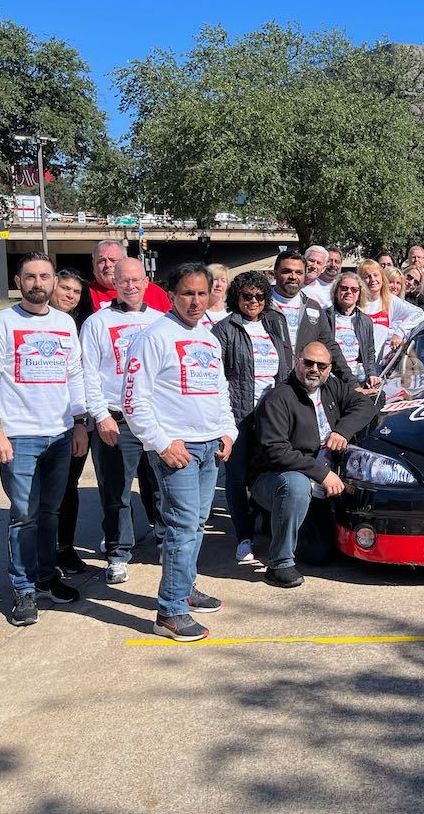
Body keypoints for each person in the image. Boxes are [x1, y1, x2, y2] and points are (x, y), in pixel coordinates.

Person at [123, 262, 236, 642]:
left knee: (196, 524)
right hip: (178, 450)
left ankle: (184, 588)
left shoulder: (208, 337)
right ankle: (170, 612)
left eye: (202, 293)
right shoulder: (154, 336)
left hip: (209, 446)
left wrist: (227, 431)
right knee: (182, 528)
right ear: (171, 295)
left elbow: (219, 391)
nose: (196, 301)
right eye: (188, 293)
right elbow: (134, 400)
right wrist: (161, 442)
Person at [0, 252, 88, 626]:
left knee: (50, 512)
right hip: (18, 436)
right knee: (24, 516)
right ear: (18, 281)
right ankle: (23, 589)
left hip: (60, 434)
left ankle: (46, 576)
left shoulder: (65, 323)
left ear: (53, 281)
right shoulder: (0, 323)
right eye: (30, 277)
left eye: (44, 276)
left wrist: (79, 423)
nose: (38, 283)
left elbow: (74, 375)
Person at [252, 341, 377, 587]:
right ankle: (279, 564)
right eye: (308, 363)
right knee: (296, 485)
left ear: (329, 368)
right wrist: (323, 474)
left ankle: (284, 523)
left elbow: (365, 405)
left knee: (318, 554)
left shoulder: (331, 386)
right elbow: (276, 452)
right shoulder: (278, 398)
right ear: (297, 362)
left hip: (320, 478)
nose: (314, 369)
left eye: (321, 365)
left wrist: (342, 431)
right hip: (278, 477)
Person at [80, 257, 166, 585]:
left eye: (136, 280)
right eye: (123, 280)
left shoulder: (160, 321)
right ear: (114, 283)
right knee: (116, 492)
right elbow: (88, 374)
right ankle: (118, 552)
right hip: (116, 421)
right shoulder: (97, 323)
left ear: (146, 282)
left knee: (161, 488)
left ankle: (164, 541)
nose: (130, 286)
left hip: (155, 420)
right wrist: (101, 415)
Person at [211, 270, 287, 565]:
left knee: (269, 470)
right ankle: (243, 535)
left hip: (271, 416)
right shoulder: (224, 329)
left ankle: (266, 525)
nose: (254, 301)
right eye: (247, 296)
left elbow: (284, 370)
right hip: (238, 416)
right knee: (237, 478)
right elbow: (216, 378)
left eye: (259, 296)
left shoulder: (274, 324)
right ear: (236, 297)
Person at [49, 267, 90, 575]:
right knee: (44, 492)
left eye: (76, 291)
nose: (70, 295)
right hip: (41, 420)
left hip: (75, 419)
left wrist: (82, 420)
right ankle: (42, 552)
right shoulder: (37, 322)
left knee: (68, 486)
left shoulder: (82, 325)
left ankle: (65, 547)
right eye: (65, 288)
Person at [267, 250, 353, 381]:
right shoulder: (261, 305)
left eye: (299, 272)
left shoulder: (313, 307)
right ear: (275, 273)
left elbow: (330, 346)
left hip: (302, 383)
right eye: (287, 271)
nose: (293, 276)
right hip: (269, 384)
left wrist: (351, 382)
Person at [77, 238, 171, 323]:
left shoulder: (155, 293)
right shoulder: (83, 294)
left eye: (113, 260)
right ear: (94, 265)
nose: (108, 265)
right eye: (102, 261)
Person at [358, 259, 424, 361]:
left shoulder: (390, 300)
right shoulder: (355, 301)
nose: (373, 279)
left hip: (379, 366)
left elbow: (419, 313)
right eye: (367, 276)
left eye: (376, 275)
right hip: (357, 364)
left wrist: (399, 332)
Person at [327, 271, 384, 390]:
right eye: (344, 288)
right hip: (332, 380)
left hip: (359, 379)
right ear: (336, 291)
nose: (349, 292)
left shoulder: (365, 321)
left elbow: (369, 352)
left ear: (359, 294)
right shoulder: (325, 317)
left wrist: (371, 374)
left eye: (354, 290)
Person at [201, 262, 231, 326]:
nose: (219, 284)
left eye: (223, 281)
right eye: (215, 279)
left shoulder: (232, 313)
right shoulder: (196, 313)